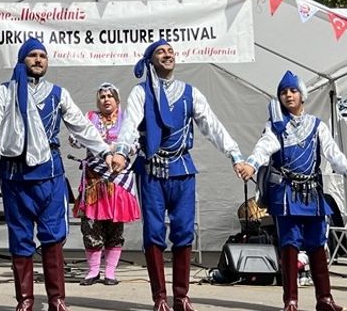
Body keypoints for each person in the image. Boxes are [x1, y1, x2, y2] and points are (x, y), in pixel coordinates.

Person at [107, 40, 254, 311]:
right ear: (151, 60)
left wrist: (235, 155)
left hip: (183, 169)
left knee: (184, 232)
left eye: (171, 51)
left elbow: (213, 125)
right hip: (151, 169)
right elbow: (129, 125)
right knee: (153, 233)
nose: (168, 54)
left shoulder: (190, 93)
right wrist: (122, 151)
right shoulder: (141, 93)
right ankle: (160, 298)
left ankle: (181, 296)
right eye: (161, 52)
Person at [0, 38, 110, 311]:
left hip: (50, 177)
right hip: (15, 177)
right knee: (20, 238)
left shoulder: (58, 94)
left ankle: (57, 300)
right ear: (23, 60)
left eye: (42, 56)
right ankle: (25, 301)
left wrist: (105, 151)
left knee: (53, 237)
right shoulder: (6, 92)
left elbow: (82, 126)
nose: (38, 60)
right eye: (32, 55)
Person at [246, 71, 347, 311]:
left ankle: (325, 299)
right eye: (284, 92)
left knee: (317, 244)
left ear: (302, 95)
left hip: (312, 193)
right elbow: (264, 147)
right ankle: (291, 300)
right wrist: (251, 163)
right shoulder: (276, 126)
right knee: (289, 245)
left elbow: (332, 151)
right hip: (286, 194)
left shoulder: (317, 125)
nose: (288, 95)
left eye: (293, 91)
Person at [71, 82, 140, 287]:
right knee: (90, 225)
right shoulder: (90, 118)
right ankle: (92, 272)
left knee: (114, 227)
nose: (106, 99)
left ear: (117, 100)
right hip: (94, 179)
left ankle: (110, 272)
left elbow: (137, 143)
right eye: (102, 97)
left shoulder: (127, 118)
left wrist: (120, 149)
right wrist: (83, 140)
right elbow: (75, 139)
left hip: (118, 179)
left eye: (110, 96)